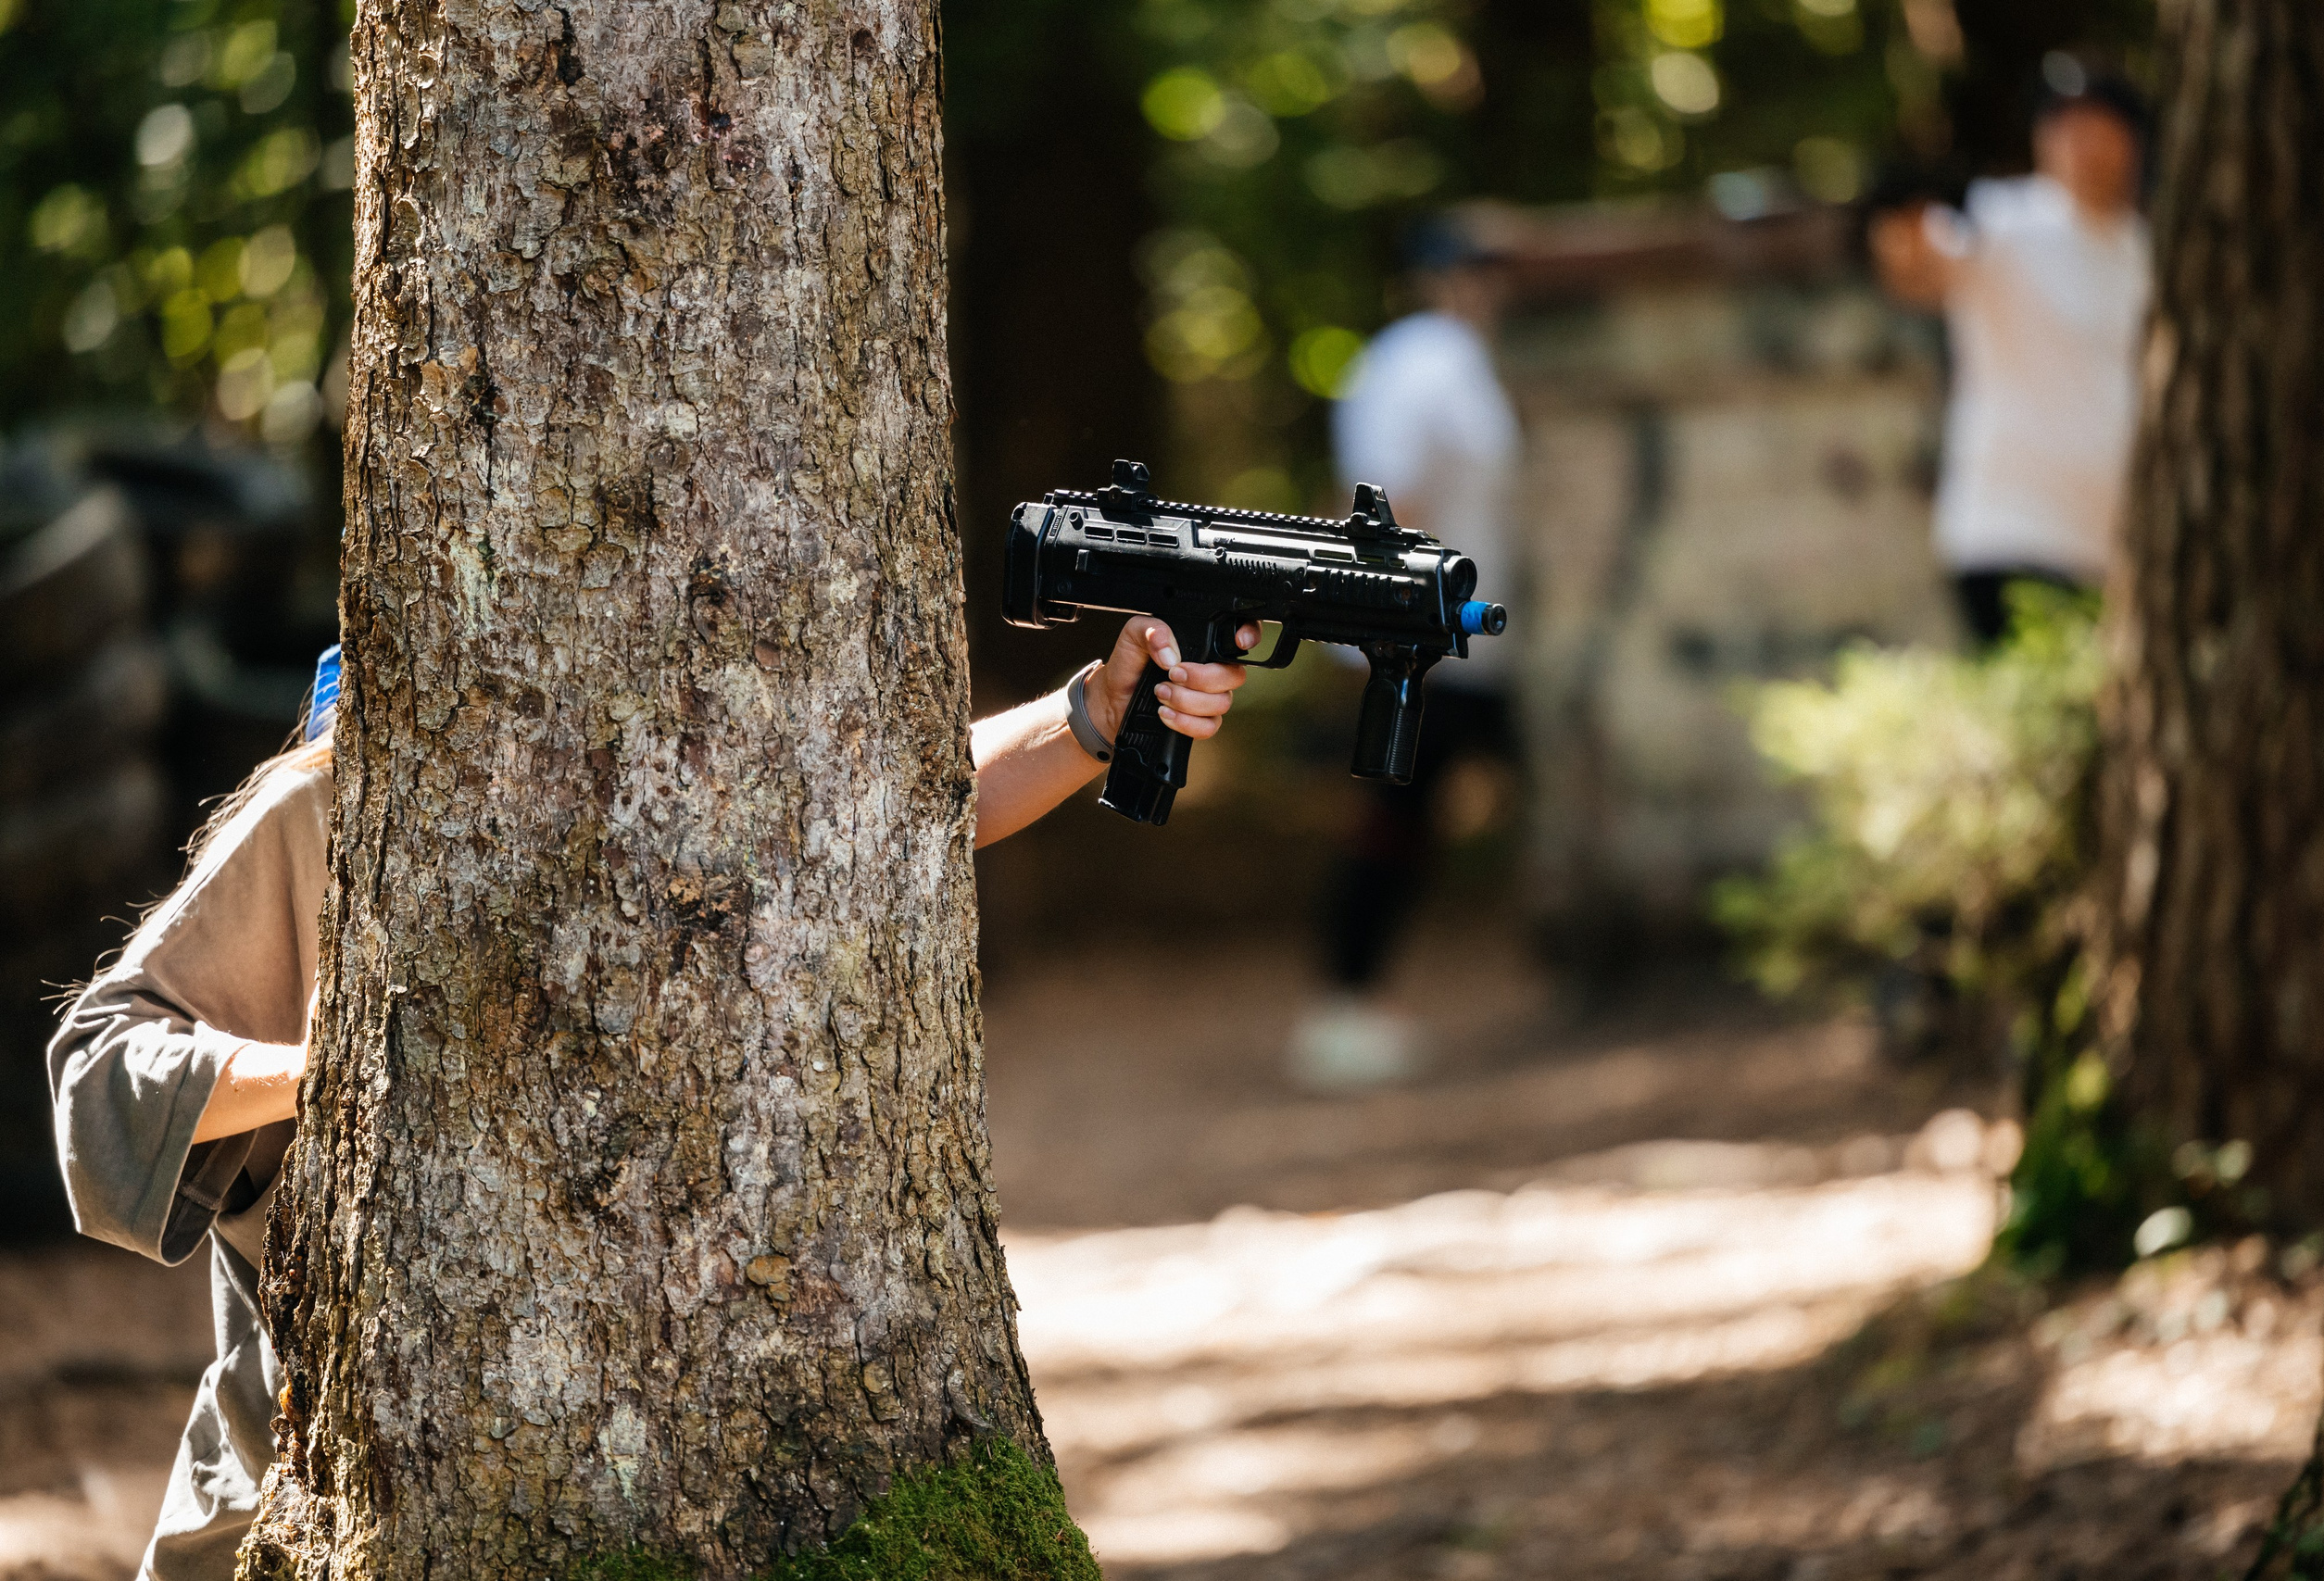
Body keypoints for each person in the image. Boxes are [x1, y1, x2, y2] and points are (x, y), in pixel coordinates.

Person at [47, 615, 1256, 1580]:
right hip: (310, 1484)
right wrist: (339, 1060)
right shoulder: (333, 804)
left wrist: (1091, 714)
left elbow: (888, 818)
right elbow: (99, 1063)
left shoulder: (653, 776)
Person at [1291, 218, 1522, 1090]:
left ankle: (1356, 1000)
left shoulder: (1454, 361)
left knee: (1408, 818)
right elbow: (1387, 499)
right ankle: (1345, 1003)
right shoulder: (1417, 363)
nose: (1485, 286)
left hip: (1460, 639)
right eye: (1471, 269)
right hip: (1413, 641)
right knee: (1390, 819)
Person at [1868, 56, 2150, 645]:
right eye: (2061, 127)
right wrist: (1901, 214)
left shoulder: (2150, 248)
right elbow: (1918, 270)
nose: (2078, 144)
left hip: (2122, 554)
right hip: (2014, 536)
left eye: (2094, 126)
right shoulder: (2000, 219)